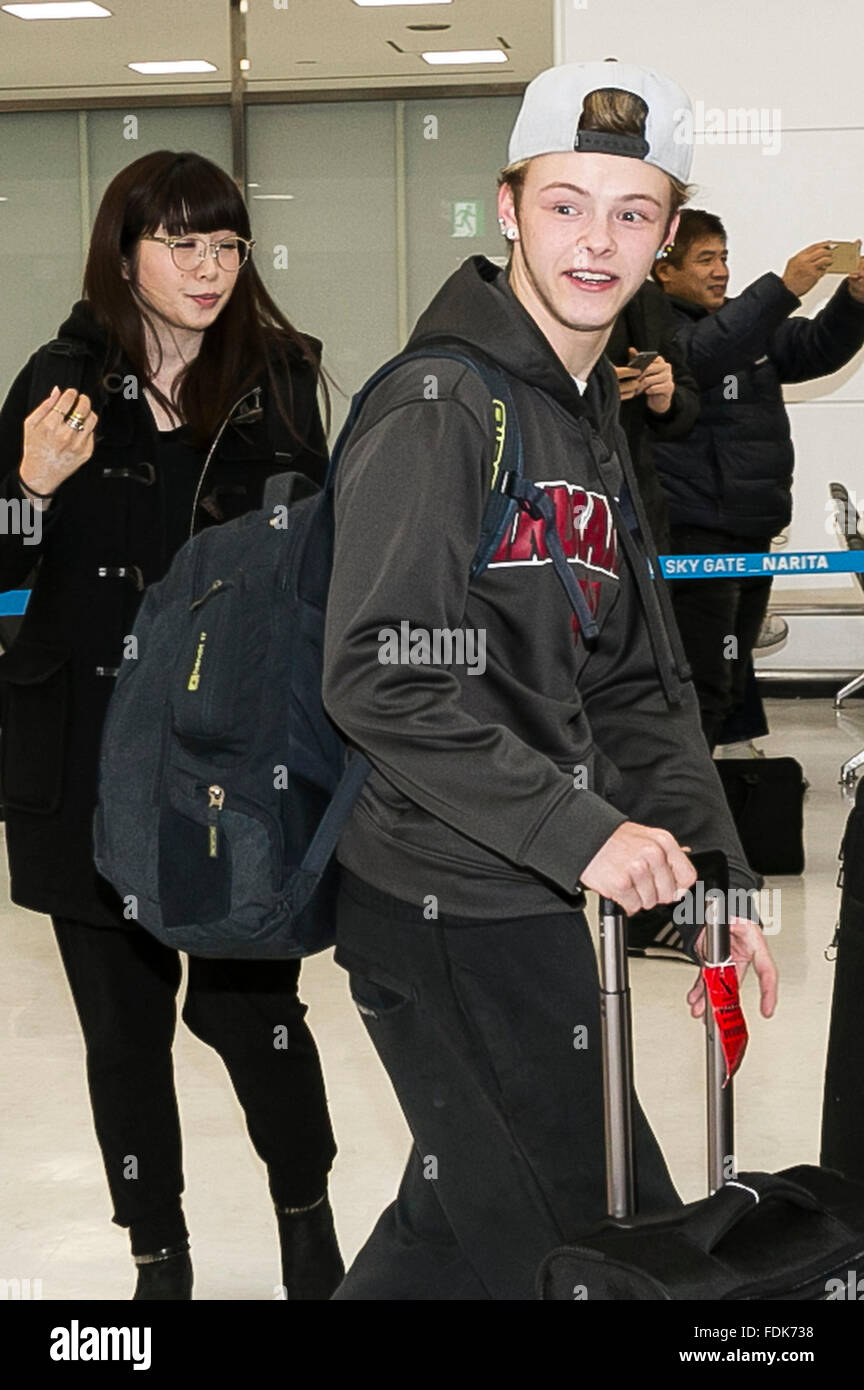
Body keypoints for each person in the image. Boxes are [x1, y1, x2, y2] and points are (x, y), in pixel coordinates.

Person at [321, 62, 778, 1301]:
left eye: (633, 213)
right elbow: (379, 670)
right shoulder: (441, 405)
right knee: (595, 1240)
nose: (598, 240)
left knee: (465, 1215)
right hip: (435, 896)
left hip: (523, 883)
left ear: (668, 235)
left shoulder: (585, 413)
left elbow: (633, 676)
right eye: (567, 203)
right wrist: (584, 835)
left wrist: (709, 877)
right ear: (509, 208)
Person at [0, 151, 343, 1300]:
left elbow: (327, 564)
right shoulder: (57, 384)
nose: (210, 268)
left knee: (260, 1018)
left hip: (232, 761)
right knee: (123, 1035)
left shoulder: (281, 378)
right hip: (87, 757)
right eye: (182, 244)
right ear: (125, 252)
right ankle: (161, 1254)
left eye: (228, 244)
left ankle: (307, 1216)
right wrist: (29, 489)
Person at [651, 210, 864, 752]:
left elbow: (816, 348)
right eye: (705, 259)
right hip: (695, 536)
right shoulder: (654, 327)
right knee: (704, 684)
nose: (720, 271)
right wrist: (784, 288)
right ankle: (690, 809)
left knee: (730, 677)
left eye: (724, 257)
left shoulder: (743, 325)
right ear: (663, 271)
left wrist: (853, 301)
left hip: (751, 532)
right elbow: (701, 356)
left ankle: (728, 799)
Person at [606, 278, 699, 553]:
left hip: (633, 493)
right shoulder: (537, 288)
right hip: (557, 494)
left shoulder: (645, 296)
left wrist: (665, 400)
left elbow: (687, 397)